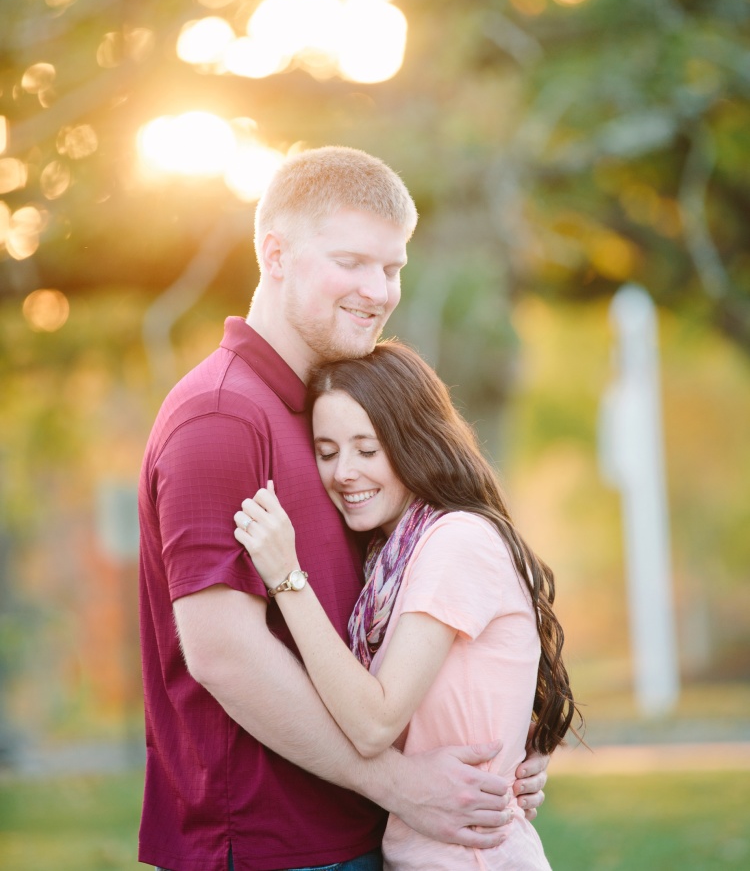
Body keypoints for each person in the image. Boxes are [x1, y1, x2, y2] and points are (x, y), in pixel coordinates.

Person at [138, 146, 549, 871]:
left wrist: (498, 757)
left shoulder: (330, 416)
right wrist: (401, 785)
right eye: (353, 262)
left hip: (359, 835)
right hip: (270, 847)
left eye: (393, 268)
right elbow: (223, 654)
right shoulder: (223, 416)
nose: (379, 290)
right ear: (276, 254)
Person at [233, 340, 579, 869]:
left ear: (415, 442)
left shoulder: (455, 541)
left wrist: (286, 578)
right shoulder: (390, 558)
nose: (344, 472)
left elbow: (374, 723)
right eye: (327, 452)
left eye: (367, 450)